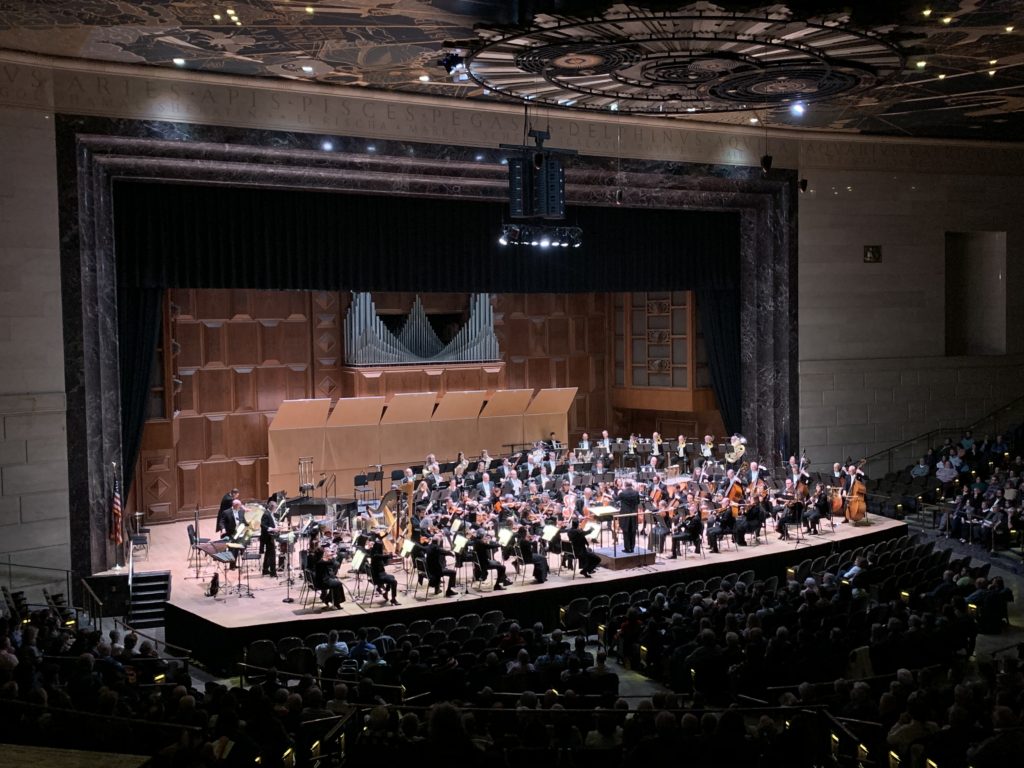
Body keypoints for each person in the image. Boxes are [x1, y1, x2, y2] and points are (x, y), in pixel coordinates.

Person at [368, 534, 398, 605]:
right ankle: (393, 599)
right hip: (378, 577)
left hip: (378, 575)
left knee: (392, 577)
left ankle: (386, 593)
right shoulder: (376, 556)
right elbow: (381, 557)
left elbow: (381, 559)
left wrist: (386, 556)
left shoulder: (373, 554)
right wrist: (388, 556)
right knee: (394, 581)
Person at [617, 479, 640, 553]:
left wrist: (616, 493)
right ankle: (632, 548)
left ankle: (627, 549)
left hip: (625, 515)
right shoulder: (636, 493)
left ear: (625, 485)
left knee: (626, 532)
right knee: (633, 532)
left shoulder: (622, 493)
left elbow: (616, 499)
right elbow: (638, 502)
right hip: (633, 515)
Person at [259, 504, 278, 577]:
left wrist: (276, 527)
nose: (276, 509)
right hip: (268, 537)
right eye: (275, 508)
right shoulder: (266, 514)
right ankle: (273, 572)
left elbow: (270, 523)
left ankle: (265, 570)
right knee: (272, 555)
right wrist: (273, 529)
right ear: (272, 507)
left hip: (269, 536)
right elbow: (263, 525)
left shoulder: (269, 513)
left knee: (268, 554)